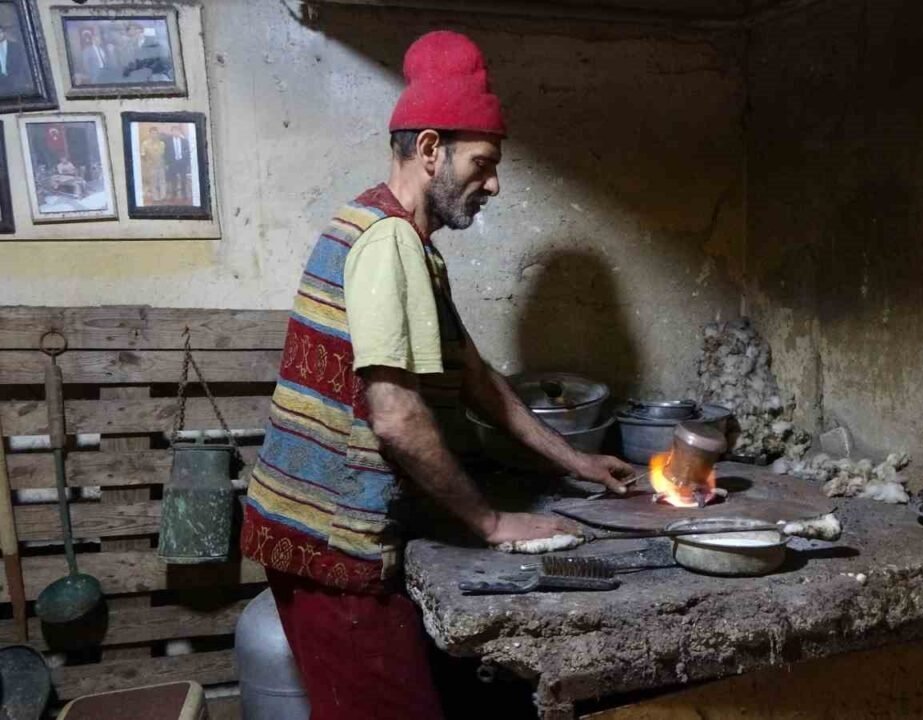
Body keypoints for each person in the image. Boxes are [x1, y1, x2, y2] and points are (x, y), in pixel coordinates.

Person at [239, 31, 633, 720]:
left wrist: (578, 462)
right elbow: (395, 418)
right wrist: (492, 522)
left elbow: (477, 377)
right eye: (482, 163)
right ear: (429, 150)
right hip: (332, 545)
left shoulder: (401, 238)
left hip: (318, 534)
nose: (494, 184)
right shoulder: (388, 242)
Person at [0, 25, 33, 97]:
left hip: (15, 82)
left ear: (4, 32)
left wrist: (27, 80)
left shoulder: (15, 47)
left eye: (0, 32)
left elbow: (23, 65)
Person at [163, 125, 190, 202]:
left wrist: (187, 163)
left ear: (180, 132)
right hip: (173, 163)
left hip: (182, 163)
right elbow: (165, 153)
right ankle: (174, 195)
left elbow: (187, 153)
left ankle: (184, 195)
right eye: (174, 131)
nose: (176, 132)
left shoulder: (184, 141)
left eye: (177, 131)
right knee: (173, 180)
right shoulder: (167, 141)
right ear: (172, 132)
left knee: (183, 179)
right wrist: (167, 163)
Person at [141, 127, 166, 203]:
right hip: (151, 166)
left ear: (157, 134)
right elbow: (142, 155)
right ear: (150, 134)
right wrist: (148, 163)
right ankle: (156, 198)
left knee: (162, 181)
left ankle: (163, 197)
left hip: (161, 165)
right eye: (152, 133)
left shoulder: (162, 143)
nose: (154, 135)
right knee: (153, 183)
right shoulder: (145, 143)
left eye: (155, 133)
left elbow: (164, 154)